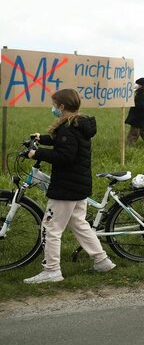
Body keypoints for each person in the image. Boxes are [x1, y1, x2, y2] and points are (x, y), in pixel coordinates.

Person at [23, 89, 116, 283]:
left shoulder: (68, 128)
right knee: (80, 225)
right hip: (78, 185)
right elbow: (64, 143)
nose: (53, 107)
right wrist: (42, 138)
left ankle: (52, 270)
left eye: (54, 104)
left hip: (66, 188)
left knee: (51, 227)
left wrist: (37, 154)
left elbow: (65, 156)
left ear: (62, 106)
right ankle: (102, 261)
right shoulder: (77, 124)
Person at [124, 77, 144, 145]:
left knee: (133, 133)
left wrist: (132, 102)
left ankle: (130, 145)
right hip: (141, 116)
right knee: (143, 131)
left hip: (139, 116)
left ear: (141, 85)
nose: (136, 85)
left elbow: (141, 105)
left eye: (137, 84)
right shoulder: (143, 92)